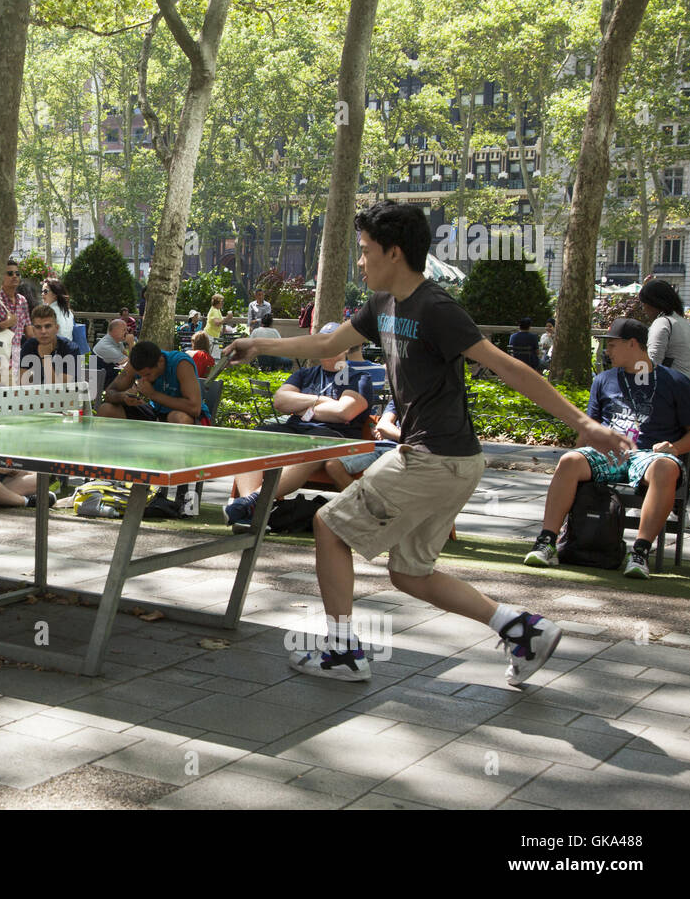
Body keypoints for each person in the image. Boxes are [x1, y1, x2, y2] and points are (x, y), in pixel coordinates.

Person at [222, 199, 631, 686]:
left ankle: (342, 651)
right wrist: (258, 343)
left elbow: (507, 366)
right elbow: (325, 345)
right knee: (410, 573)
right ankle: (522, 629)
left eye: (366, 250)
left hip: (433, 457)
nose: (360, 260)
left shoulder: (436, 307)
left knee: (330, 528)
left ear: (394, 253)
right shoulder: (381, 305)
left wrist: (583, 423)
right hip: (450, 462)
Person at [524, 317, 690, 580]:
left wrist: (674, 448)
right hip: (608, 452)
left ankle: (640, 553)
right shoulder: (604, 380)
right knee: (569, 461)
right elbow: (589, 428)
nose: (607, 351)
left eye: (612, 345)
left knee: (664, 467)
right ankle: (546, 541)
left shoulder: (675, 382)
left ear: (633, 344)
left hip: (650, 455)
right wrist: (576, 452)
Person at [223, 324, 373, 525]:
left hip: (333, 437)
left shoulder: (358, 377)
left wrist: (301, 403)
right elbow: (280, 401)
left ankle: (252, 503)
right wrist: (320, 401)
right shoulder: (305, 374)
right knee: (251, 438)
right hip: (294, 430)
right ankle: (252, 510)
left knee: (311, 448)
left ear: (346, 347)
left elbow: (344, 412)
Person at [98, 339, 208, 425]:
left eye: (147, 374)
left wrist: (153, 394)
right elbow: (109, 393)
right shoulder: (134, 364)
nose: (144, 379)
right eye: (139, 376)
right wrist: (123, 397)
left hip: (186, 417)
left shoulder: (180, 363)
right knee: (106, 409)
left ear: (160, 361)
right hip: (155, 412)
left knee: (178, 417)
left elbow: (195, 408)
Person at [639, 279, 690, 378]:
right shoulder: (683, 323)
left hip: (672, 388)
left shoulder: (662, 322)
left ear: (653, 303)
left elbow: (652, 363)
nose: (643, 309)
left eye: (643, 304)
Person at [0, 260, 31, 382]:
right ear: (1, 277)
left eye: (17, 273)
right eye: (9, 274)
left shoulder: (22, 301)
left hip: (16, 356)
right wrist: (5, 324)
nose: (14, 276)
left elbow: (29, 331)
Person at [20, 305, 80, 384]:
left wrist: (45, 358)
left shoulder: (71, 349)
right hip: (35, 395)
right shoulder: (29, 346)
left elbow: (60, 388)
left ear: (56, 328)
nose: (43, 331)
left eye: (48, 326)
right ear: (34, 330)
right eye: (38, 327)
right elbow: (22, 381)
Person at [41, 278, 75, 342]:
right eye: (42, 291)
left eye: (45, 291)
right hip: (68, 348)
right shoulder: (68, 311)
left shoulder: (48, 311)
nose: (42, 294)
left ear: (55, 294)